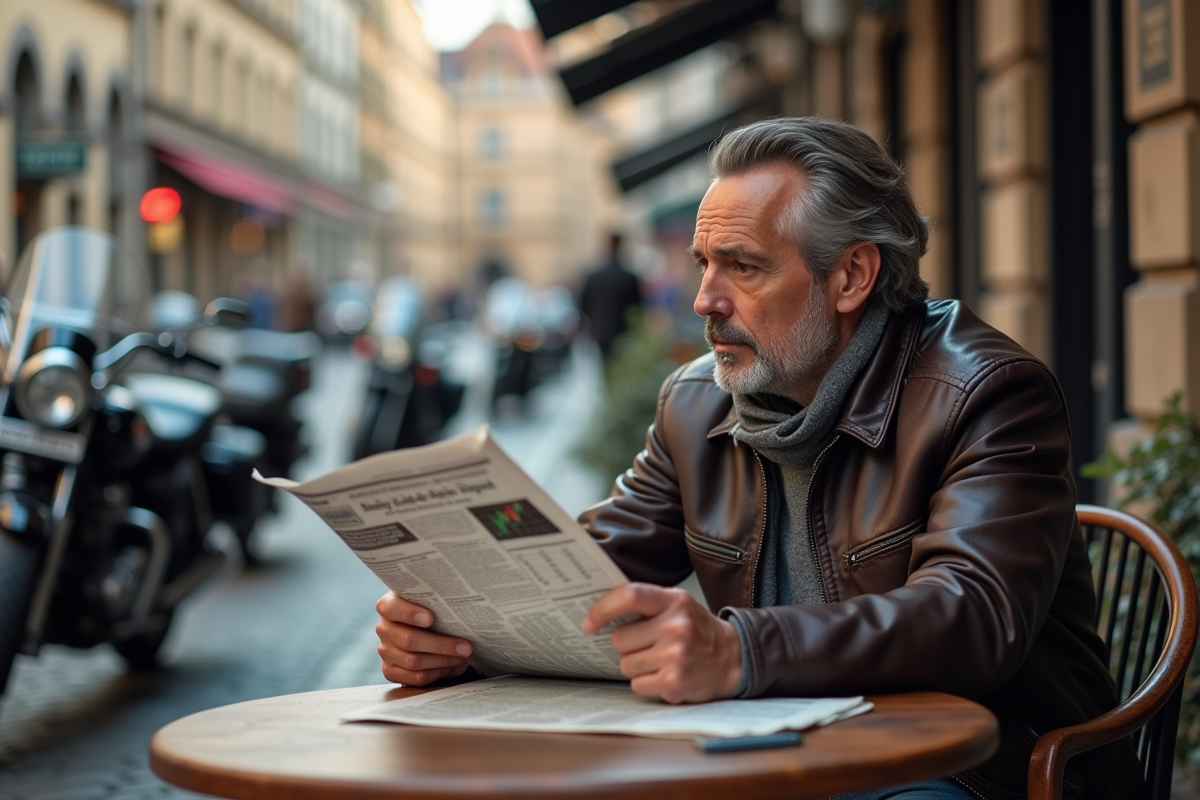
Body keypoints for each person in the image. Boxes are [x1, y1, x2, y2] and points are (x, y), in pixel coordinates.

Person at [375, 118, 1142, 799]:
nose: (705, 298)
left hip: (982, 767)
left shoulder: (984, 390)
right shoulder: (696, 401)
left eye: (742, 266)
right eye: (703, 263)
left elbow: (971, 618)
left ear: (851, 277)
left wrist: (739, 650)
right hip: (779, 752)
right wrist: (457, 637)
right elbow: (588, 578)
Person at [579, 232, 642, 360]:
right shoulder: (628, 277)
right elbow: (637, 308)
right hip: (622, 334)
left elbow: (583, 305)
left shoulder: (593, 277)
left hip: (599, 333)